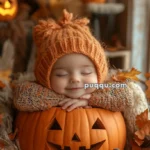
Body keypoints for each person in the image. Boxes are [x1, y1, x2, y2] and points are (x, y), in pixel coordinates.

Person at [13, 9, 148, 149]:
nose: (75, 79)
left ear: (99, 74)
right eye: (61, 74)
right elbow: (21, 96)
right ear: (45, 78)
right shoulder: (41, 89)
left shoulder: (103, 87)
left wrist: (89, 98)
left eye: (86, 72)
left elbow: (126, 94)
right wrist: (58, 99)